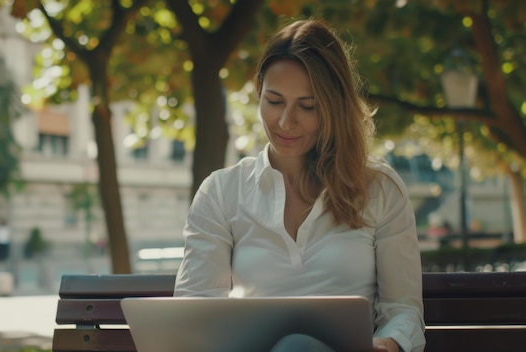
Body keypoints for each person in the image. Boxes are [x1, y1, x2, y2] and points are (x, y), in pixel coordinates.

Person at [174, 18, 425, 352]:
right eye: (274, 101)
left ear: (334, 107)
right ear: (259, 90)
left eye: (307, 106)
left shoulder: (379, 189)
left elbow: (403, 311)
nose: (285, 122)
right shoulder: (222, 192)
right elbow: (194, 311)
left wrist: (387, 345)